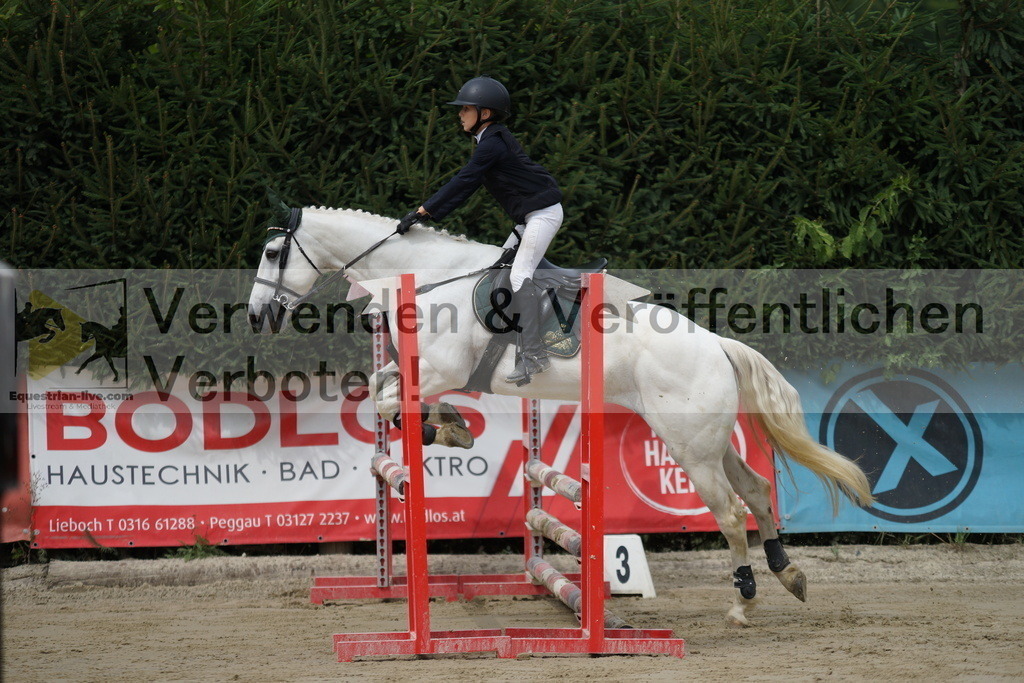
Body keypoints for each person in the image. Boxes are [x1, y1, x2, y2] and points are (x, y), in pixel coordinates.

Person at [397, 76, 563, 384]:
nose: (460, 114)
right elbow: (466, 187)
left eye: (466, 109)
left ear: (484, 114)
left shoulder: (492, 144)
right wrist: (428, 212)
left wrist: (423, 211)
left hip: (543, 215)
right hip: (530, 217)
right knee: (498, 268)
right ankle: (513, 339)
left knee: (518, 275)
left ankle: (535, 355)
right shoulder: (490, 139)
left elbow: (464, 181)